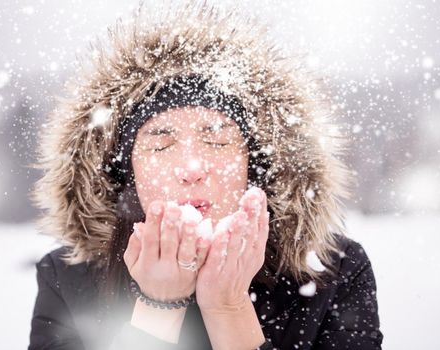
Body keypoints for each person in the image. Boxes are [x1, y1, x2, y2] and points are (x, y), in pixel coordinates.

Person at [28, 2, 384, 349]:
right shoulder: (69, 277)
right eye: (161, 146)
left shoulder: (330, 273)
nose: (192, 169)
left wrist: (229, 308)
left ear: (255, 165)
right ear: (125, 170)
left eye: (217, 140)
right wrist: (157, 308)